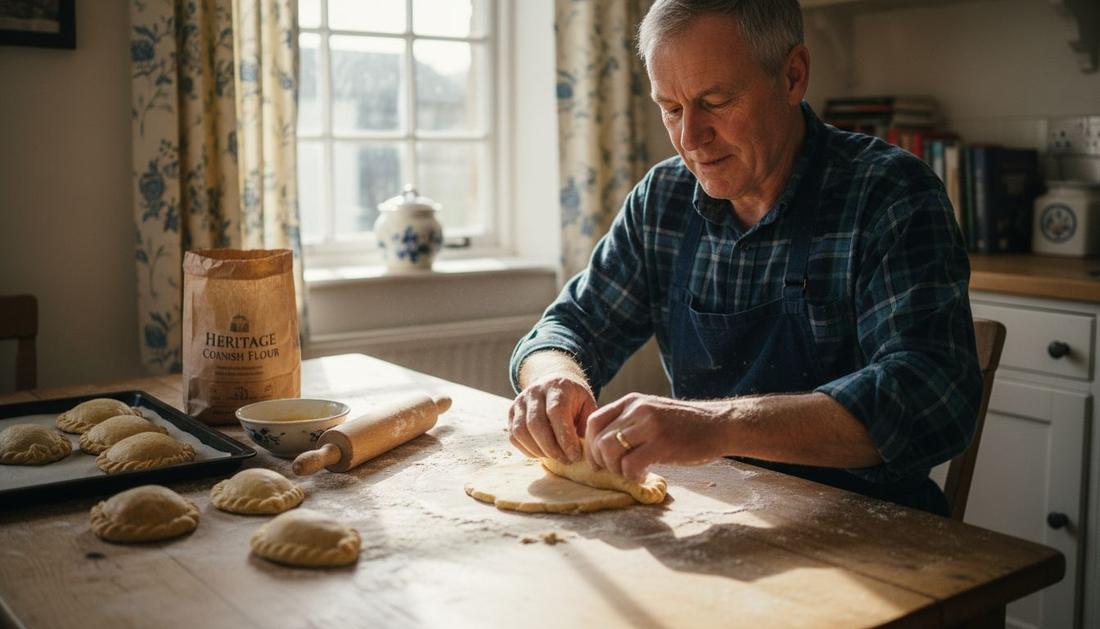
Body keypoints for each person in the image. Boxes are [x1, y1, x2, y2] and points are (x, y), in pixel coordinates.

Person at [507, 0, 982, 516]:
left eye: (715, 100)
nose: (690, 138)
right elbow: (568, 326)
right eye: (671, 108)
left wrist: (717, 426)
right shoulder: (663, 199)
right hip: (718, 514)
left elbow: (930, 395)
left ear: (793, 76)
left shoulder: (888, 194)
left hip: (876, 531)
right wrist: (555, 380)